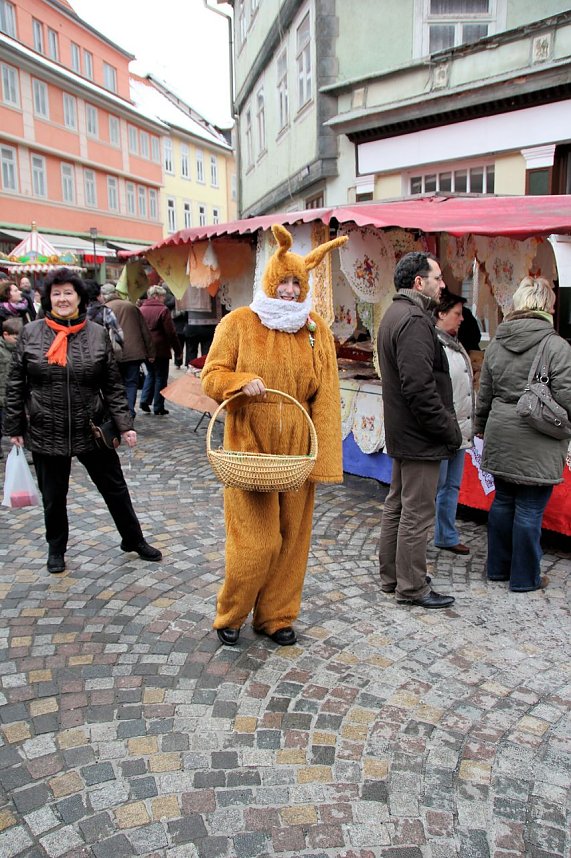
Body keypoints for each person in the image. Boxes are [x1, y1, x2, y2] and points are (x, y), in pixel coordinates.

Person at [201, 224, 347, 647]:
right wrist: (238, 382)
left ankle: (276, 616)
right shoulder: (239, 323)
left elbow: (326, 396)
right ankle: (231, 613)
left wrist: (323, 462)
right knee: (256, 543)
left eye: (297, 284)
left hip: (298, 452)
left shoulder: (315, 329)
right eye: (283, 282)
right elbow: (211, 376)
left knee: (292, 543)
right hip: (249, 448)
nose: (289, 291)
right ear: (270, 280)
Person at [3, 267, 162, 574]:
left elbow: (113, 385)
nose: (62, 299)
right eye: (56, 294)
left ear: (79, 298)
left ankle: (133, 539)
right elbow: (15, 383)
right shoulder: (31, 333)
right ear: (48, 299)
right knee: (54, 497)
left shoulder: (97, 334)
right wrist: (14, 426)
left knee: (115, 489)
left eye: (68, 293)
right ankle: (56, 549)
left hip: (91, 426)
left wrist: (125, 425)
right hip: (47, 427)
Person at [474, 276, 571, 592]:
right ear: (547, 305)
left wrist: (479, 428)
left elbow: (484, 394)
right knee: (529, 509)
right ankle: (524, 578)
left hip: (500, 432)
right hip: (538, 438)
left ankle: (498, 568)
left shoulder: (497, 342)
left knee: (503, 502)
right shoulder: (557, 346)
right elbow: (568, 397)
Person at [377, 252, 461, 609]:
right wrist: (447, 430)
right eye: (437, 278)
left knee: (399, 505)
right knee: (415, 511)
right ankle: (411, 586)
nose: (442, 284)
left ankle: (393, 577)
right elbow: (419, 389)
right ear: (418, 282)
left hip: (406, 432)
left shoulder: (398, 313)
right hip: (419, 435)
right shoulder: (412, 319)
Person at [433, 291, 474, 555]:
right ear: (441, 313)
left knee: (451, 485)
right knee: (434, 486)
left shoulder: (454, 344)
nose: (461, 319)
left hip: (459, 427)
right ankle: (414, 541)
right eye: (457, 314)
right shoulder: (434, 345)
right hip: (443, 428)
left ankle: (446, 535)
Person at [106, 283, 155, 417]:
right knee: (131, 383)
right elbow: (145, 331)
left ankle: (118, 413)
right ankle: (130, 411)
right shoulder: (131, 306)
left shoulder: (105, 308)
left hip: (113, 353)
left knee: (115, 384)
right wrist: (150, 352)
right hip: (134, 353)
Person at [138, 284, 182, 415]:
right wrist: (178, 351)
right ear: (156, 296)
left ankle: (144, 400)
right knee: (161, 377)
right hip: (160, 348)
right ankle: (158, 406)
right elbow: (171, 332)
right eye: (163, 296)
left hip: (145, 347)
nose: (164, 299)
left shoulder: (141, 309)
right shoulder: (163, 310)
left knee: (150, 374)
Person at [0, 317, 22, 457]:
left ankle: (21, 450)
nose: (17, 341)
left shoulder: (20, 350)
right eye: (15, 338)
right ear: (5, 334)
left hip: (12, 395)